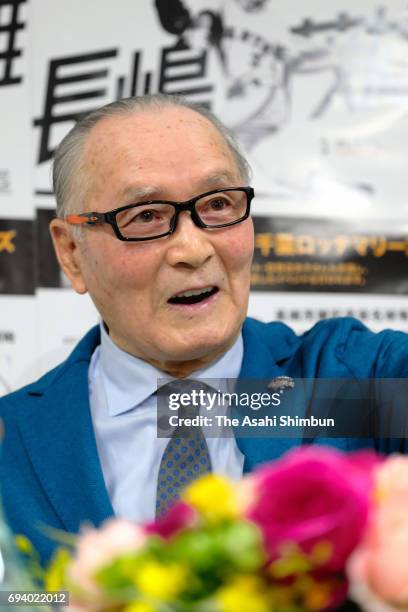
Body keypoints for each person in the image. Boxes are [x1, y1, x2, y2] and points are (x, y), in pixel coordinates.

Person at [0, 93, 407, 566]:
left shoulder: (347, 381)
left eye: (216, 203)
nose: (192, 248)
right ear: (71, 252)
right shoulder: (14, 438)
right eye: (147, 216)